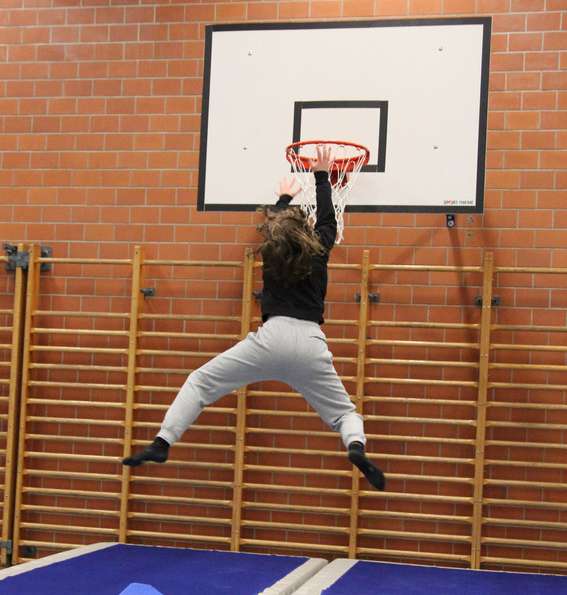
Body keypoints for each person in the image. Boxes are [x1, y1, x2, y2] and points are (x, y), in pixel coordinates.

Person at [123, 144, 385, 490]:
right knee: (344, 414)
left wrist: (284, 198)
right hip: (310, 342)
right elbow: (327, 220)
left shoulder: (271, 254)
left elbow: (275, 227)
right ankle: (355, 446)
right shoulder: (320, 248)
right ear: (309, 235)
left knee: (200, 383)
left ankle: (163, 442)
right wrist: (322, 176)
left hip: (271, 339)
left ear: (275, 237)